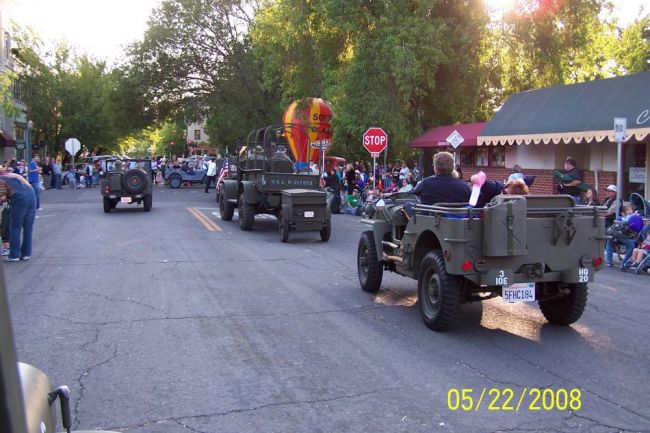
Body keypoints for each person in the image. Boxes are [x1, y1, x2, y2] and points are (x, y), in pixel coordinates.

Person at [0, 172, 36, 261]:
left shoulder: (1, 181)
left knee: (15, 228)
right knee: (28, 228)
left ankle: (14, 255)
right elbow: (28, 184)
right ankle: (26, 254)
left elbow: (3, 197)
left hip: (19, 199)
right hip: (31, 195)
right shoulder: (13, 175)